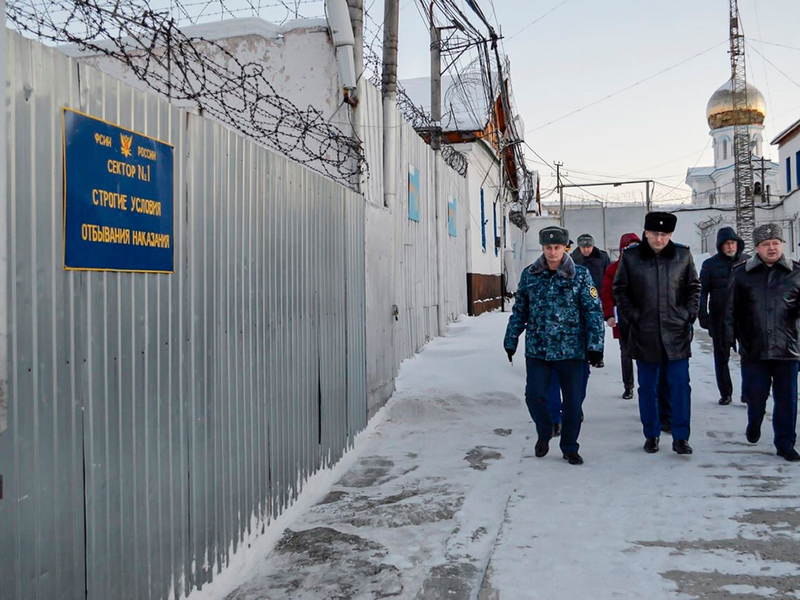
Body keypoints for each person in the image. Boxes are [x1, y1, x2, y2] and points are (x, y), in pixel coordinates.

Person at [504, 226, 605, 465]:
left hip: (571, 349)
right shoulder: (530, 274)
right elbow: (520, 310)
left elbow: (592, 310)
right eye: (548, 248)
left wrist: (595, 345)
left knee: (572, 401)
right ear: (542, 248)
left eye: (557, 248)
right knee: (534, 395)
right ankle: (545, 429)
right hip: (539, 348)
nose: (552, 252)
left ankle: (570, 446)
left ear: (565, 248)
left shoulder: (579, 275)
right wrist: (511, 338)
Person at [613, 212, 700, 455]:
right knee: (648, 387)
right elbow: (620, 289)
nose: (659, 239)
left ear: (670, 235)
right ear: (646, 233)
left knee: (680, 386)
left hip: (676, 333)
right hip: (645, 332)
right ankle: (651, 434)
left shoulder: (682, 255)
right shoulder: (631, 257)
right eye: (654, 234)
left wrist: (687, 314)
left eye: (664, 235)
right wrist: (633, 316)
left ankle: (681, 437)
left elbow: (693, 286)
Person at [722, 223, 800, 462]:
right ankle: (754, 421)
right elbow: (730, 310)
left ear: (782, 245)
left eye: (776, 243)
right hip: (754, 347)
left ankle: (785, 443)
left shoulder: (796, 273)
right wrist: (729, 340)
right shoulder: (742, 273)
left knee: (787, 398)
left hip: (788, 348)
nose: (772, 248)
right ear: (757, 248)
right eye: (766, 244)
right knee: (756, 395)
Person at [698, 227, 750, 405]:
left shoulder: (747, 262)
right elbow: (702, 291)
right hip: (719, 317)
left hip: (744, 318)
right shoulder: (710, 265)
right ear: (720, 246)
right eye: (726, 244)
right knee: (721, 358)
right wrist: (702, 314)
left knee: (748, 356)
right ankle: (726, 393)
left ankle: (748, 393)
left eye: (733, 243)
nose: (730, 247)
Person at [601, 232, 641, 399]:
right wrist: (609, 315)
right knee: (626, 352)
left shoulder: (646, 265)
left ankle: (647, 388)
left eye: (635, 246)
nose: (632, 250)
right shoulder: (613, 269)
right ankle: (628, 385)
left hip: (644, 318)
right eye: (628, 247)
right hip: (622, 316)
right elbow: (607, 293)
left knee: (646, 354)